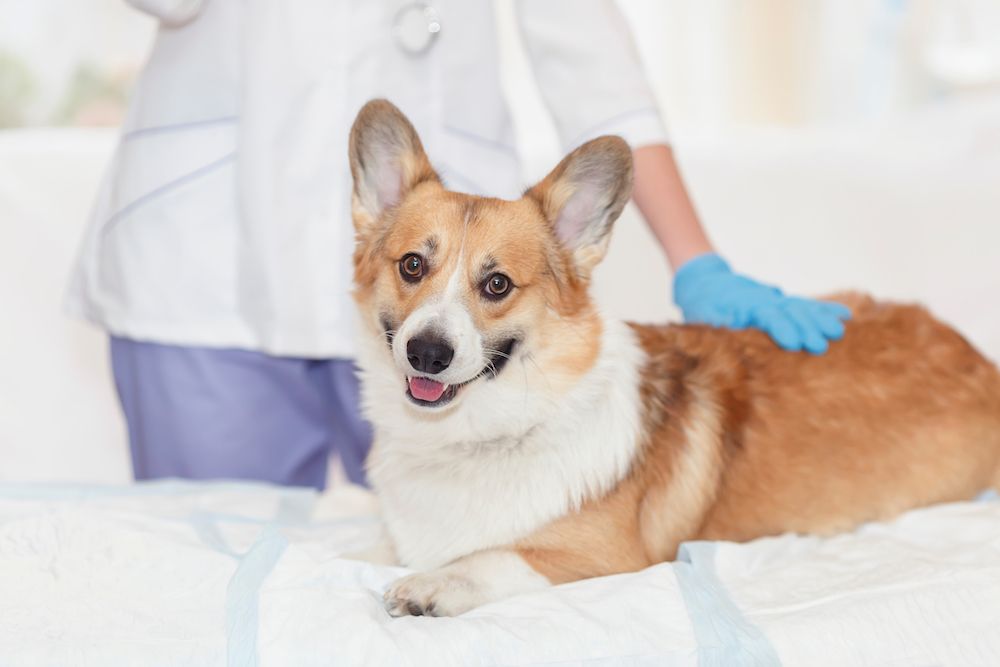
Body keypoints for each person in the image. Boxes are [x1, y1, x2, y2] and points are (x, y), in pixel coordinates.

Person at [66, 0, 849, 490]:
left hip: (469, 283)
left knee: (453, 600)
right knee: (216, 586)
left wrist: (694, 257)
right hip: (205, 272)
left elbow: (594, 63)